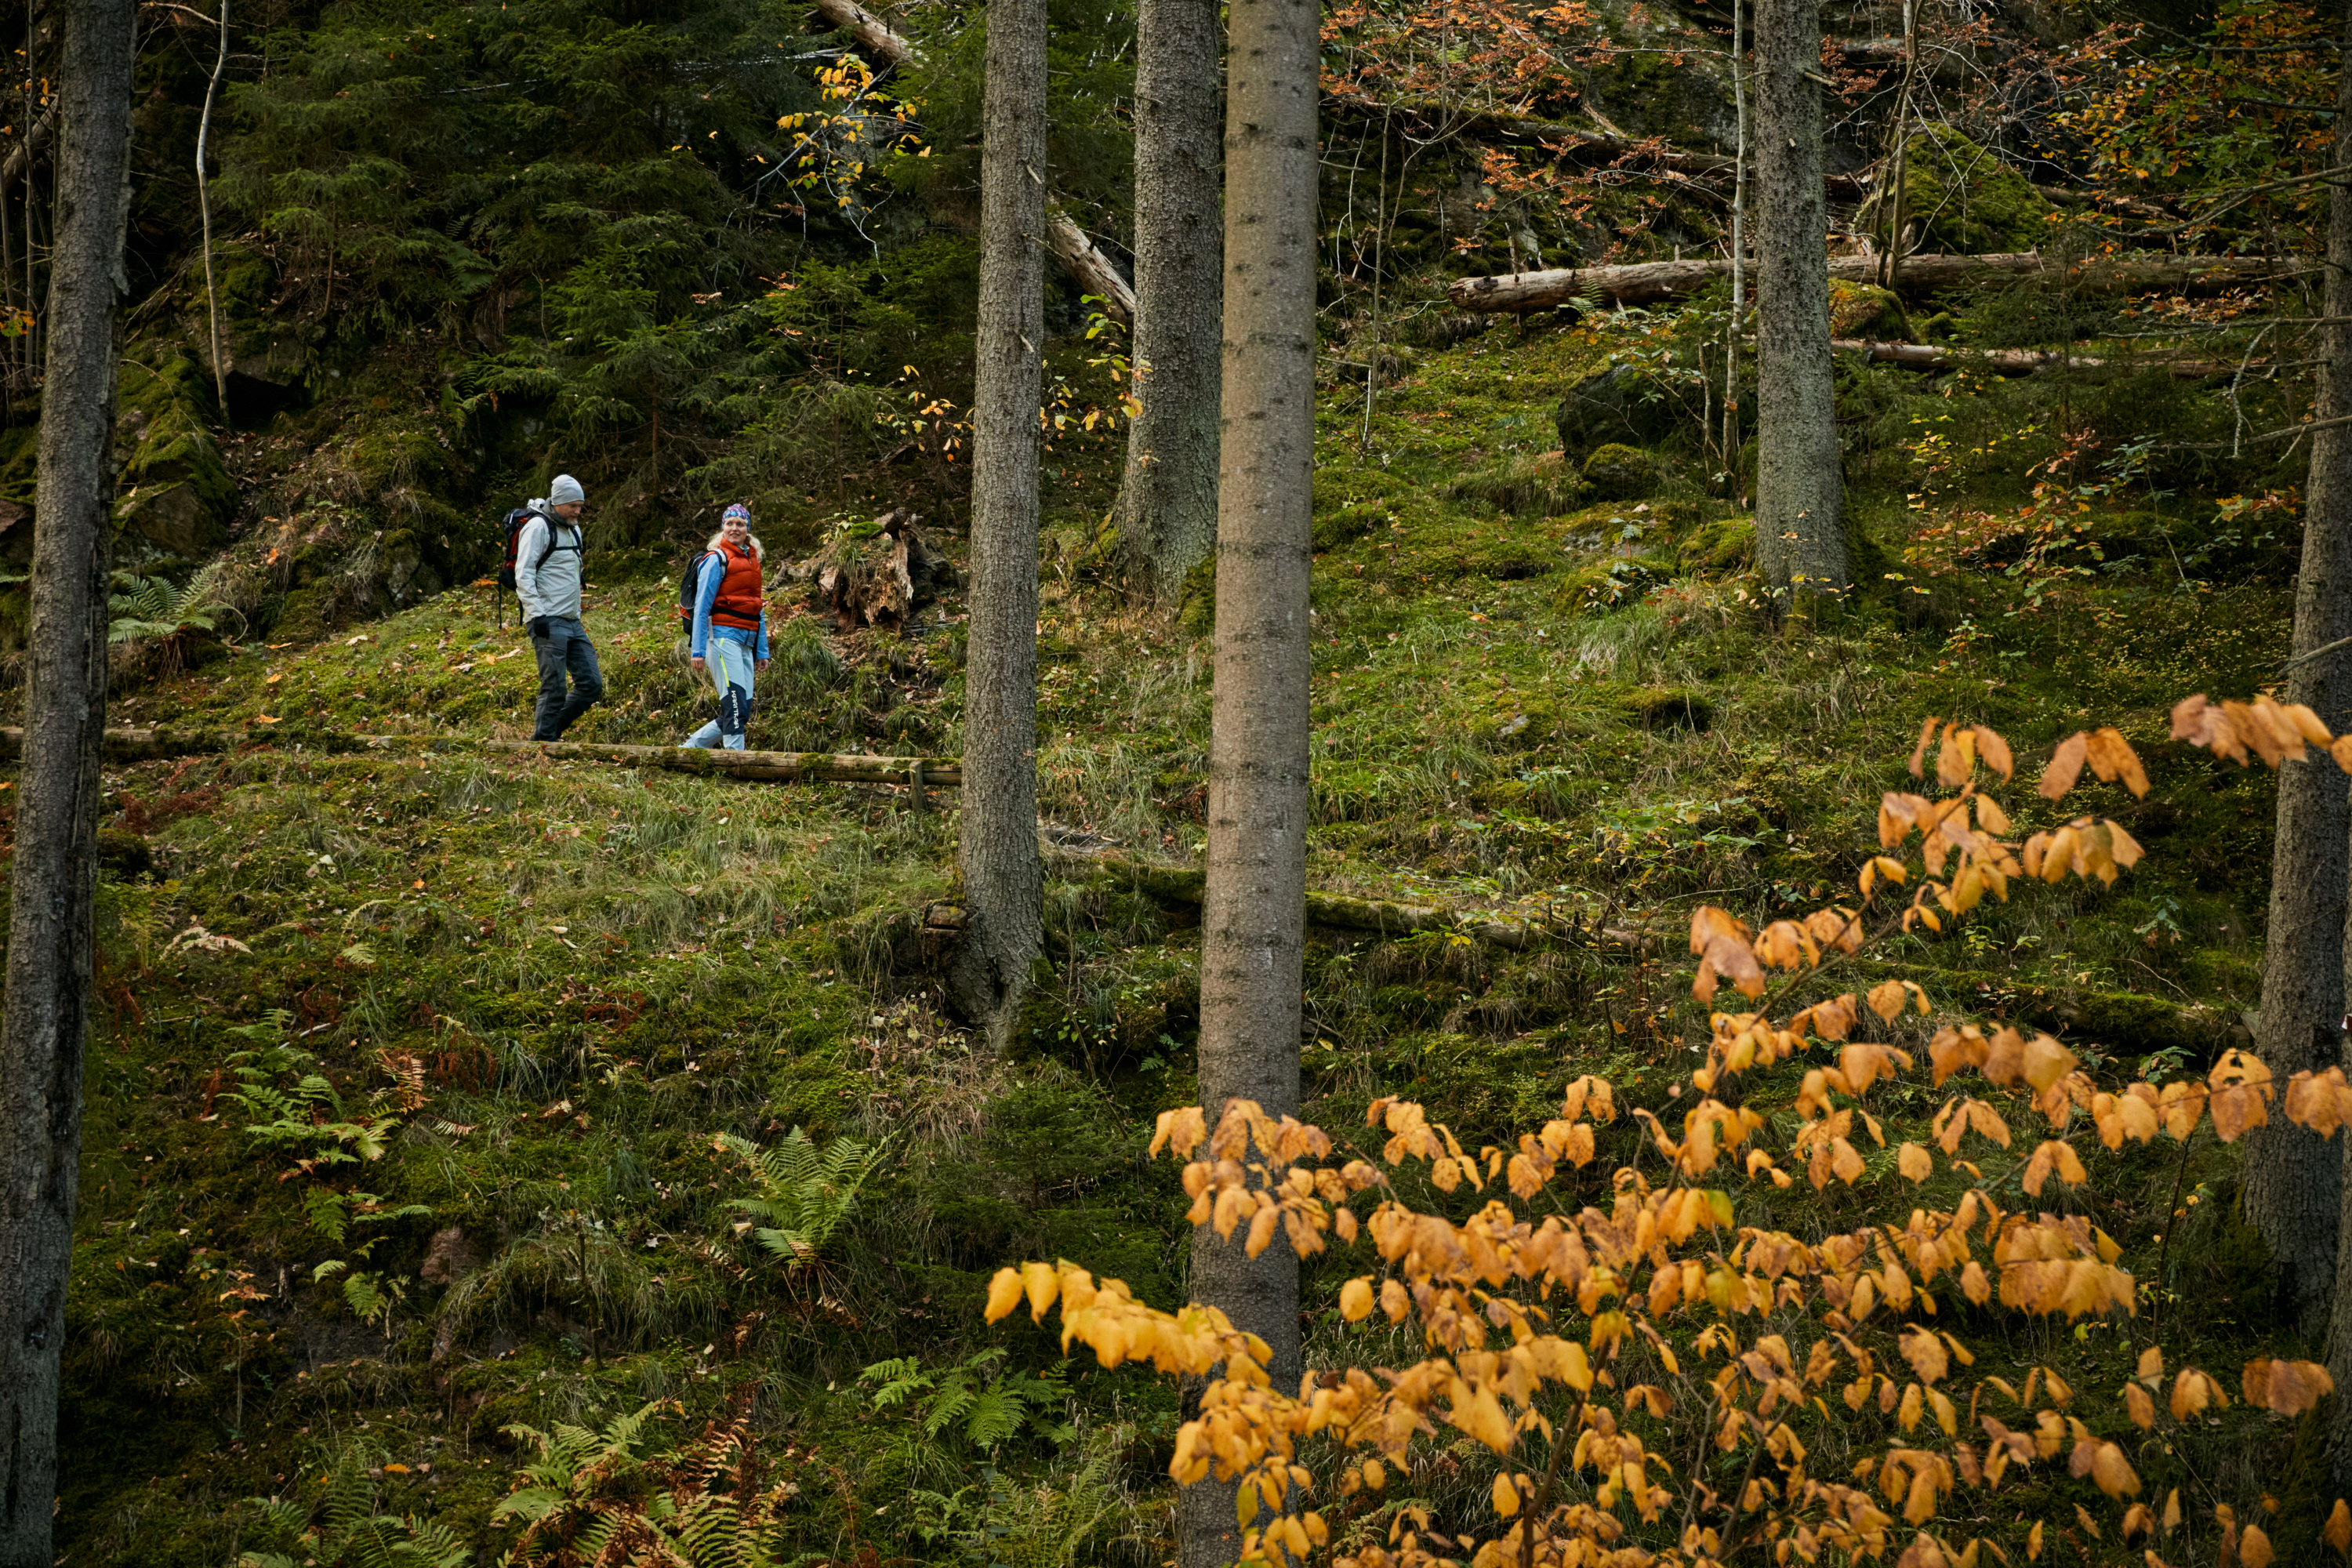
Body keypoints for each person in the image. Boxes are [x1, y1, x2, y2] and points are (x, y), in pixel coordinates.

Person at [515, 474, 604, 742]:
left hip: (572, 620)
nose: (578, 511)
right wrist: (536, 613)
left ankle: (546, 735)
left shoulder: (573, 528)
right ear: (558, 503)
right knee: (554, 686)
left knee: (591, 684)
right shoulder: (538, 527)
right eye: (573, 506)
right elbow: (524, 573)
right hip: (546, 619)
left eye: (581, 505)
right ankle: (544, 744)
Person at [680, 503, 771, 750]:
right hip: (720, 639)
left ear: (747, 529)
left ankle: (689, 751)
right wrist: (697, 651)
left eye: (740, 524)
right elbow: (701, 607)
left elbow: (756, 607)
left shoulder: (753, 561)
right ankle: (734, 762)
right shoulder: (716, 560)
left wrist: (761, 651)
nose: (734, 528)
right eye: (729, 523)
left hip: (745, 641)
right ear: (723, 528)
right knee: (734, 705)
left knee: (741, 710)